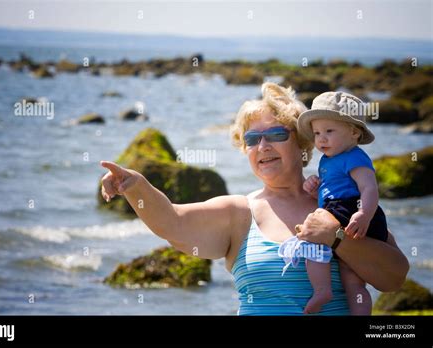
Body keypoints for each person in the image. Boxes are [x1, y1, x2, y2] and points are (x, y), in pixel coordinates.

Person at [100, 82, 408, 315]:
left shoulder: (339, 201)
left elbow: (393, 277)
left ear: (303, 143)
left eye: (275, 135)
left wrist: (336, 238)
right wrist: (135, 186)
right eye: (251, 139)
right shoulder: (238, 212)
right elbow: (172, 222)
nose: (262, 146)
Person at [294, 91, 389, 315]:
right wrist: (314, 189)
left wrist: (364, 213)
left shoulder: (355, 157)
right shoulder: (328, 160)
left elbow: (369, 187)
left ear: (354, 132)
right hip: (340, 209)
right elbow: (330, 191)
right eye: (317, 133)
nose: (321, 139)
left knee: (312, 240)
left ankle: (322, 290)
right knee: (352, 280)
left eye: (329, 131)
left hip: (351, 209)